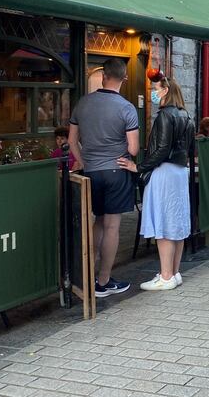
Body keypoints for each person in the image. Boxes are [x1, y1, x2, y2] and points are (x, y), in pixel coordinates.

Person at [68, 58, 139, 298]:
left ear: (104, 75)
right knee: (112, 226)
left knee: (97, 221)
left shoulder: (83, 103)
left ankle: (86, 275)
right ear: (124, 78)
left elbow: (71, 141)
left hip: (91, 172)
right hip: (117, 171)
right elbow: (134, 148)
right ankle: (104, 280)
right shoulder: (126, 107)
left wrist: (83, 160)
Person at [117, 75, 195, 291]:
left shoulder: (165, 116)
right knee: (176, 223)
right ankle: (174, 272)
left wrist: (138, 167)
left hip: (164, 173)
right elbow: (190, 149)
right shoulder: (186, 116)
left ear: (166, 90)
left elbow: (161, 149)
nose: (153, 91)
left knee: (164, 223)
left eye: (156, 88)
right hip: (180, 172)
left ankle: (166, 275)